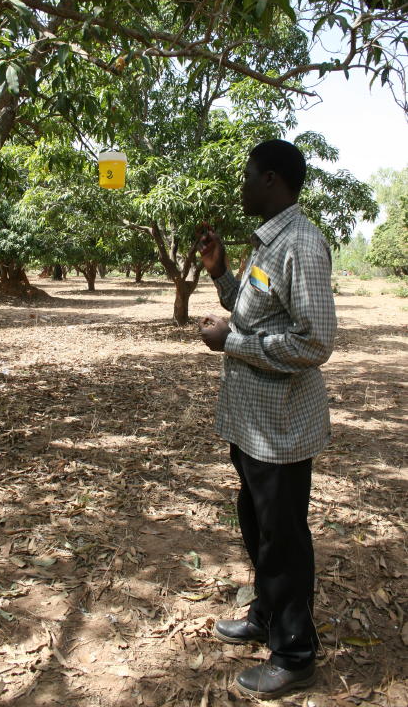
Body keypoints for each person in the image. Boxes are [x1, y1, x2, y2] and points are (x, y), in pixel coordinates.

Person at [198, 139, 336, 700]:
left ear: (273, 180)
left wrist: (232, 343)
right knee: (257, 525)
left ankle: (295, 652)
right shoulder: (268, 243)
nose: (242, 185)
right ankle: (265, 613)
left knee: (283, 538)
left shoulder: (300, 244)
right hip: (253, 424)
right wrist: (221, 272)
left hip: (281, 427)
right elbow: (254, 311)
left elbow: (316, 341)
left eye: (249, 175)